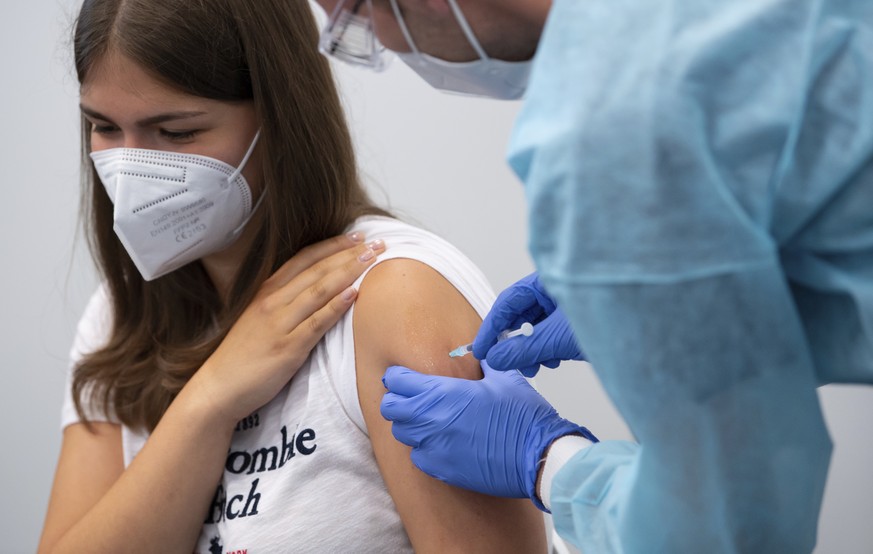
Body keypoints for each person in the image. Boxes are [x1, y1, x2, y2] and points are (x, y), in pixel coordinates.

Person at [315, 0, 873, 552]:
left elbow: (733, 531)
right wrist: (692, 313)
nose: (384, 42)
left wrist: (548, 460)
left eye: (359, 20)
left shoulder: (611, 136)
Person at [37, 0, 548, 552]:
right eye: (104, 127)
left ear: (280, 117)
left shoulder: (392, 299)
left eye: (177, 132)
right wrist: (208, 401)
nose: (132, 168)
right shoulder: (121, 313)